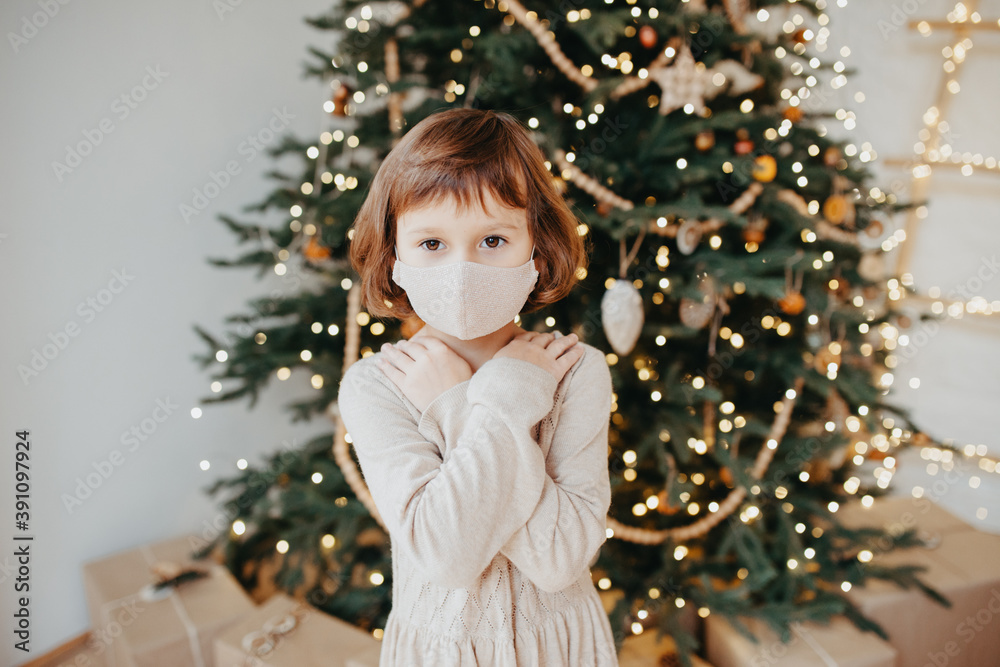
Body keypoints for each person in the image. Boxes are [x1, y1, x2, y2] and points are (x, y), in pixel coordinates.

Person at [337, 107, 619, 666]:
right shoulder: (376, 387)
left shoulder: (574, 369)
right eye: (432, 244)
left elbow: (561, 557)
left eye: (493, 240)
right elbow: (445, 553)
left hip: (562, 648)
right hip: (442, 651)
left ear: (536, 252)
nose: (462, 271)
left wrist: (462, 405)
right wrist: (484, 402)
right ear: (394, 257)